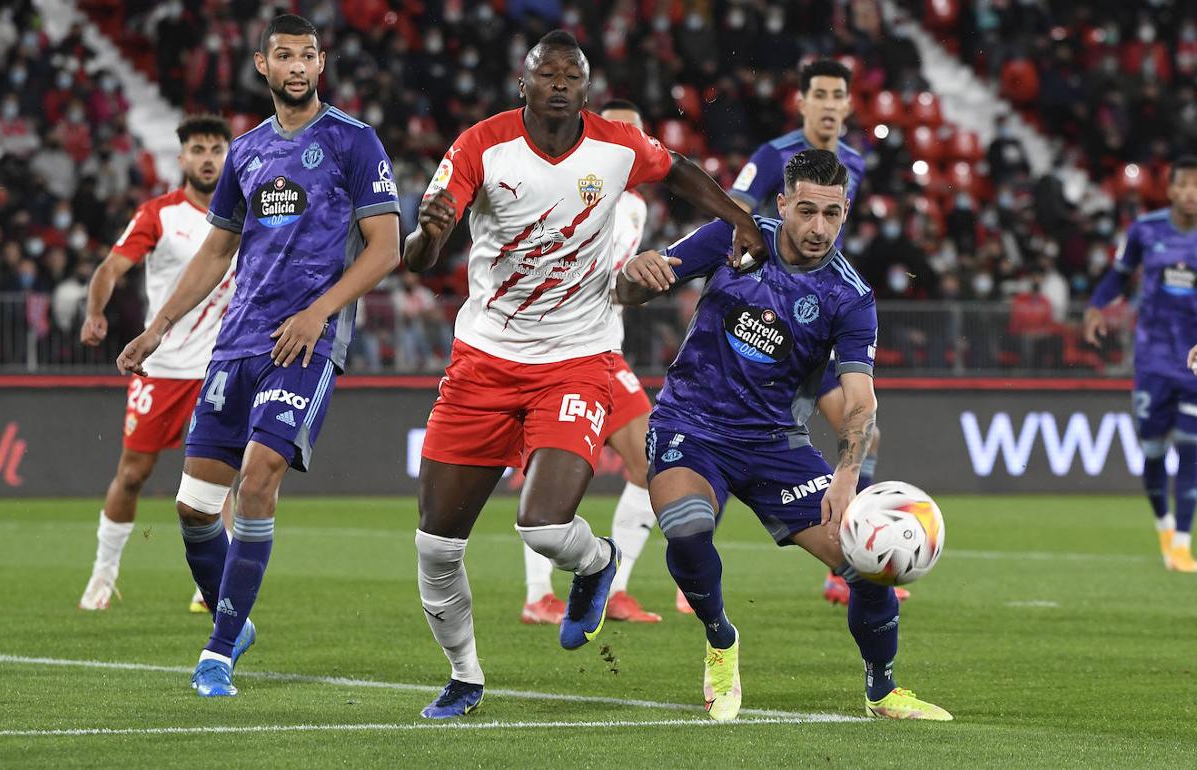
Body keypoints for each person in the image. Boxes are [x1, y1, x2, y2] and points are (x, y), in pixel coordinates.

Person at [403, 31, 765, 719]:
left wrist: (738, 219)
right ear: (524, 83)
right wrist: (428, 233)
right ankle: (465, 676)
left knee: (542, 527)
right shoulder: (481, 144)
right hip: (482, 360)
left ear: (587, 88)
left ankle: (595, 562)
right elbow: (422, 256)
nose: (561, 83)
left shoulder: (616, 146)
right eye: (549, 73)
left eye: (574, 74)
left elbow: (680, 168)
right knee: (436, 549)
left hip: (576, 360)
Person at [116, 14, 401, 696]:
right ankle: (233, 620)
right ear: (262, 66)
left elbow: (386, 248)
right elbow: (218, 252)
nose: (297, 66)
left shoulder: (354, 142)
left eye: (308, 55)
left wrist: (318, 312)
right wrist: (158, 328)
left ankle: (217, 652)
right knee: (191, 506)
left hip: (306, 340)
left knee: (259, 475)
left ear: (321, 64)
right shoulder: (244, 152)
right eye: (284, 55)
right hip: (236, 341)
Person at [618, 148, 950, 722]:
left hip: (776, 443)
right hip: (689, 425)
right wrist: (635, 277)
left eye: (831, 214)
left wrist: (847, 477)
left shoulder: (850, 297)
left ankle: (883, 689)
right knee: (687, 529)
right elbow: (636, 291)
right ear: (782, 203)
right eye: (806, 211)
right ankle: (721, 640)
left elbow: (860, 398)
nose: (818, 228)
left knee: (864, 558)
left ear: (846, 211)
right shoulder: (733, 237)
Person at [725, 58, 900, 608]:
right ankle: (698, 551)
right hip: (768, 318)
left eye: (837, 95)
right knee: (730, 431)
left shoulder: (853, 161)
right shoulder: (771, 157)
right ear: (801, 102)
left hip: (819, 324)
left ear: (849, 106)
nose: (828, 104)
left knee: (863, 434)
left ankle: (846, 559)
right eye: (818, 94)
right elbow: (734, 210)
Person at [76, 115, 236, 614]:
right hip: (162, 370)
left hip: (220, 368)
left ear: (228, 155)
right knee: (132, 475)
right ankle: (103, 576)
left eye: (216, 148)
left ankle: (212, 585)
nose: (208, 158)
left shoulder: (248, 215)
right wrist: (96, 311)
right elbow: (111, 268)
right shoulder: (159, 214)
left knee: (221, 477)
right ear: (182, 159)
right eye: (198, 149)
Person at [519, 98, 663, 626]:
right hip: (547, 350)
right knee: (543, 476)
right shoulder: (563, 187)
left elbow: (615, 280)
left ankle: (615, 587)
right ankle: (538, 596)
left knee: (651, 462)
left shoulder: (635, 208)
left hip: (603, 351)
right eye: (616, 133)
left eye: (637, 137)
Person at [1086, 157, 1197, 573]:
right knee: (1153, 452)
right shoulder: (1146, 230)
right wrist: (1097, 306)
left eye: (1196, 185)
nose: (1190, 192)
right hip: (1152, 359)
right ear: (1170, 190)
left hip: (1193, 362)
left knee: (1192, 447)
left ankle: (1183, 545)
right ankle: (1166, 527)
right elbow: (1119, 274)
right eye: (1183, 185)